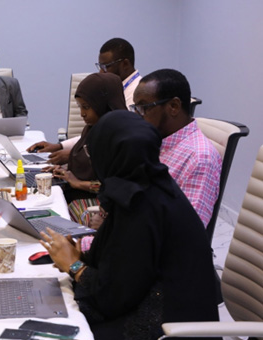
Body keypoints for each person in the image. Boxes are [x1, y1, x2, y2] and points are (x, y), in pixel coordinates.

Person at [40, 110, 229, 340]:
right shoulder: (143, 187)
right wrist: (81, 257)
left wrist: (76, 266)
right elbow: (121, 263)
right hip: (155, 304)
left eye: (94, 150)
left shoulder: (142, 207)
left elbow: (114, 297)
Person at [131, 68, 221, 227]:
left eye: (144, 108)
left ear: (174, 106)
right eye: (136, 109)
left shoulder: (200, 159)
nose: (138, 116)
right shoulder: (156, 141)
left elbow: (188, 234)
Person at [28, 38, 139, 164]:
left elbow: (115, 145)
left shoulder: (138, 95)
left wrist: (73, 156)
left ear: (125, 64)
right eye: (100, 66)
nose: (101, 72)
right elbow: (95, 135)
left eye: (106, 66)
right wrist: (60, 146)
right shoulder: (108, 87)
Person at [49, 73, 127, 224]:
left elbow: (116, 185)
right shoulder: (93, 129)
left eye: (86, 107)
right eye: (80, 107)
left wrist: (77, 183)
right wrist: (64, 171)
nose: (82, 113)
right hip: (77, 192)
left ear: (104, 104)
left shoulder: (118, 137)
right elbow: (85, 162)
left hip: (102, 202)